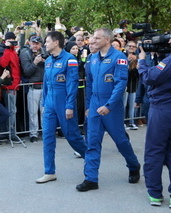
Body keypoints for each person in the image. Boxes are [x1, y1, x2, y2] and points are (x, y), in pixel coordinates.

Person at [76, 28, 141, 192]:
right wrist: (90, 106)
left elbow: (120, 84)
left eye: (97, 39)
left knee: (121, 141)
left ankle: (133, 165)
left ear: (107, 40)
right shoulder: (92, 59)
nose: (93, 41)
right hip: (95, 105)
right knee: (92, 142)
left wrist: (109, 105)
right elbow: (89, 84)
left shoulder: (118, 57)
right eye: (92, 39)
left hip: (112, 107)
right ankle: (91, 178)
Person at [36, 31, 87, 184]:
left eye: (47, 41)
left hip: (64, 103)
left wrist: (70, 106)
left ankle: (91, 158)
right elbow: (46, 83)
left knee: (72, 137)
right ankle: (49, 171)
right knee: (47, 138)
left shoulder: (70, 59)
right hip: (50, 103)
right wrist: (44, 103)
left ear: (56, 42)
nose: (45, 44)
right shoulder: (49, 61)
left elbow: (72, 83)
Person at [138, 39, 171, 207]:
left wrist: (142, 61)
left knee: (154, 150)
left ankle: (155, 193)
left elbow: (150, 77)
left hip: (163, 109)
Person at [19, 35, 46, 143]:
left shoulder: (46, 52)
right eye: (33, 43)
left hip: (44, 86)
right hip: (33, 86)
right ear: (29, 43)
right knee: (32, 112)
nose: (35, 46)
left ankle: (45, 132)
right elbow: (27, 72)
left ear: (41, 44)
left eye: (37, 43)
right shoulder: (25, 53)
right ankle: (33, 133)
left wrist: (44, 61)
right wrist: (35, 62)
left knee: (45, 112)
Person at [0, 32, 22, 143]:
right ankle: (10, 133)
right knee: (11, 110)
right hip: (9, 86)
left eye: (13, 39)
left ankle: (8, 133)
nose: (12, 40)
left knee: (12, 110)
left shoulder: (13, 50)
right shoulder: (4, 50)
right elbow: (3, 63)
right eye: (10, 39)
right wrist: (7, 48)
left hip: (14, 85)